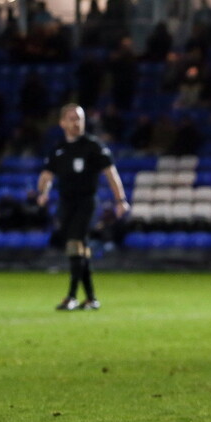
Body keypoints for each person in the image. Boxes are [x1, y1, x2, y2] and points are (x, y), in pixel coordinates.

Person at [37, 104, 129, 311]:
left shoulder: (93, 146)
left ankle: (71, 297)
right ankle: (91, 299)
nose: (76, 123)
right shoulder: (59, 149)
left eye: (79, 118)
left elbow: (110, 173)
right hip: (66, 203)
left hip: (86, 202)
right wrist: (42, 193)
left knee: (74, 243)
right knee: (80, 250)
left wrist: (120, 200)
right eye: (71, 118)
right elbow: (46, 175)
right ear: (62, 123)